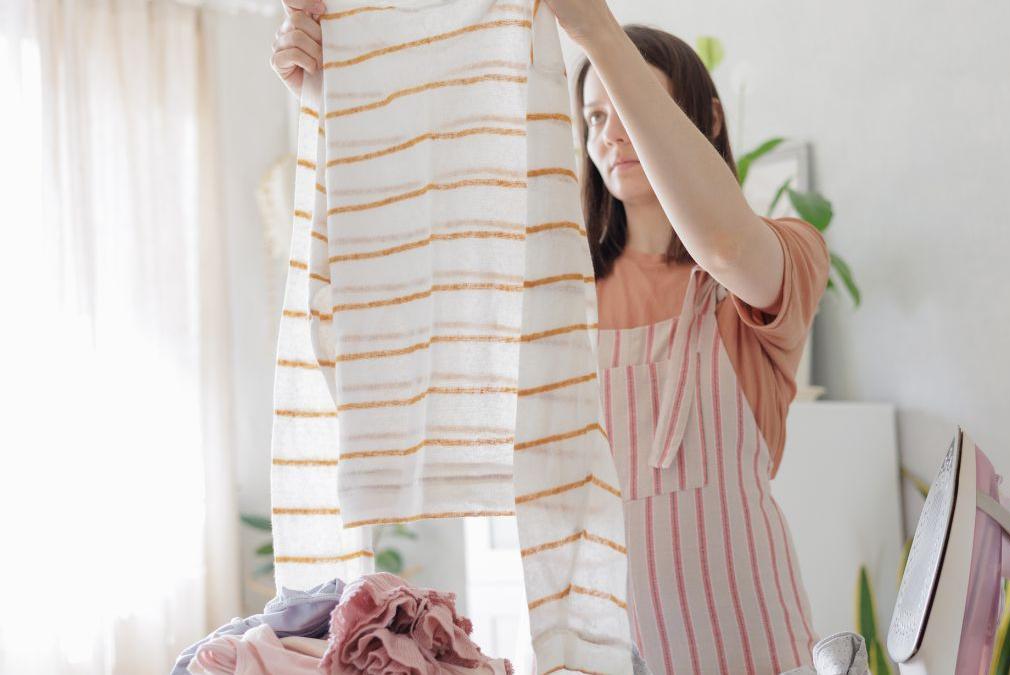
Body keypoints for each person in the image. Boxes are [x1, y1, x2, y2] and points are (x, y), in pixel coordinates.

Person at [271, 1, 830, 672]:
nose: (613, 133)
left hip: (750, 633)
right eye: (595, 117)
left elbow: (722, 240)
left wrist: (596, 29)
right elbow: (380, 303)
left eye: (637, 100)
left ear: (708, 118)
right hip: (600, 643)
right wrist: (337, 97)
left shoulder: (777, 260)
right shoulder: (556, 298)